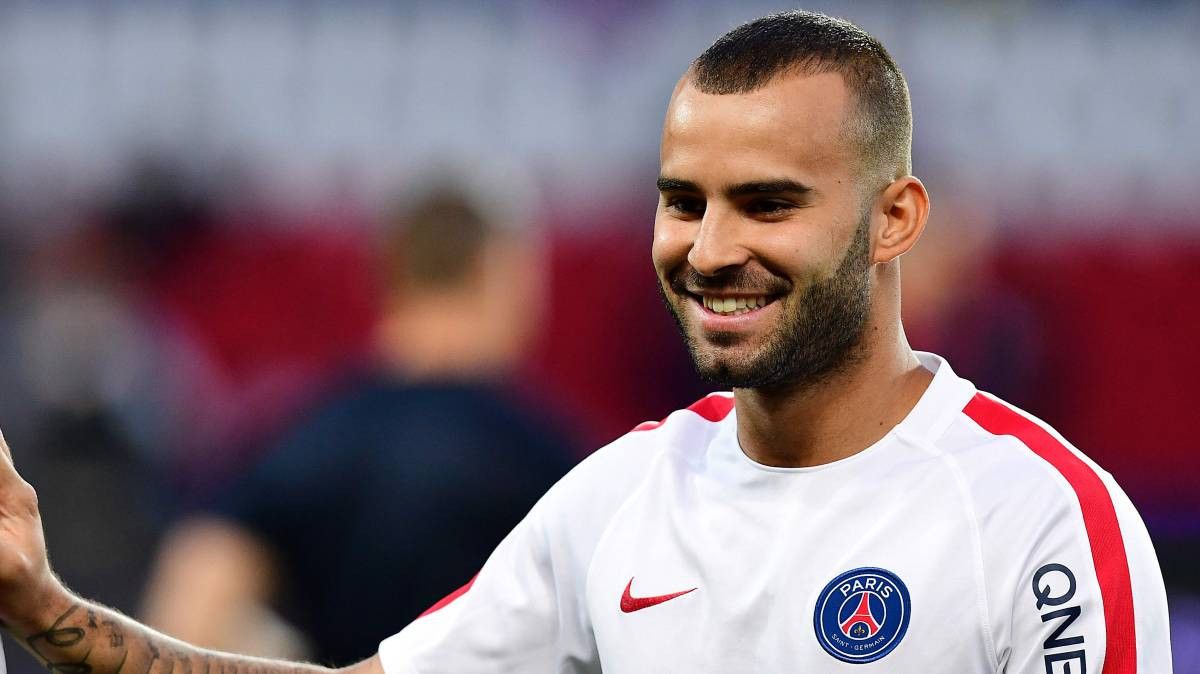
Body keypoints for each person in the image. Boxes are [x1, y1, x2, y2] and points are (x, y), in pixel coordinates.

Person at [0, 10, 1171, 673]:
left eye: (768, 203)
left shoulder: (1041, 519)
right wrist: (43, 604)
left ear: (895, 219)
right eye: (683, 201)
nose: (710, 247)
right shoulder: (615, 496)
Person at [139, 183, 577, 664]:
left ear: (387, 275)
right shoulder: (544, 460)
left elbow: (188, 606)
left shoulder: (304, 439)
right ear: (495, 275)